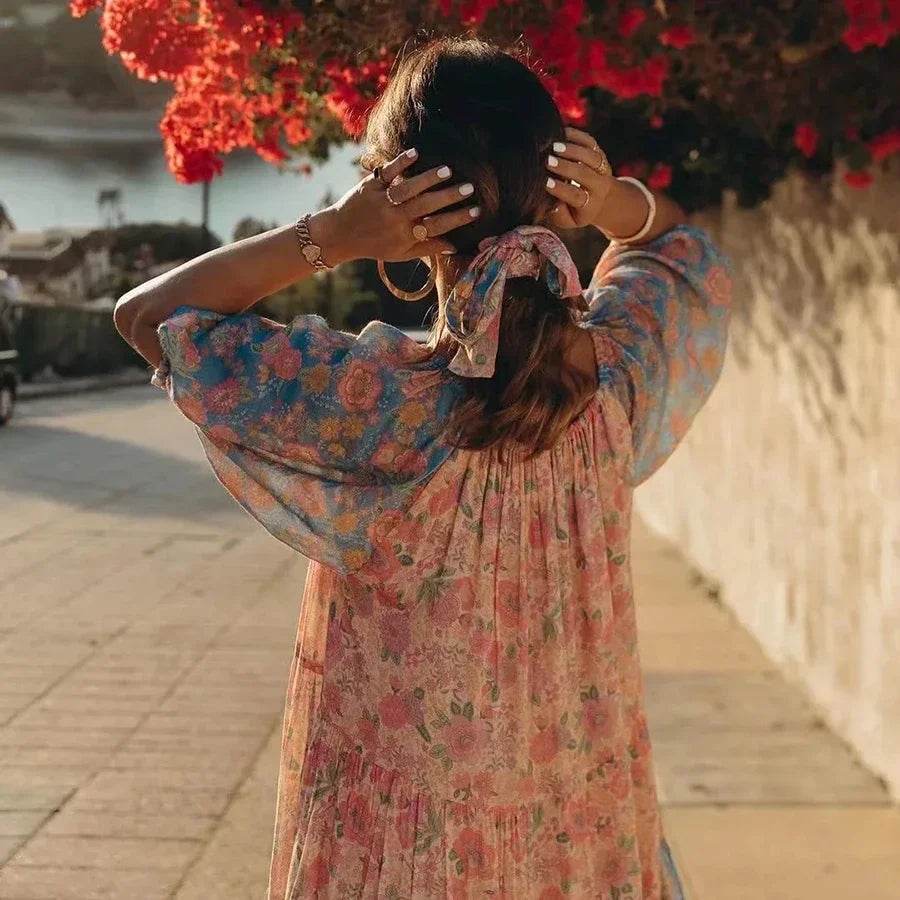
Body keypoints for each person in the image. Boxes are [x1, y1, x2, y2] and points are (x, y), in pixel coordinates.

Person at [114, 36, 732, 900]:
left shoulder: (376, 406)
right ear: (556, 191)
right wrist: (613, 204)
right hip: (582, 823)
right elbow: (685, 251)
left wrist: (329, 236)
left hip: (406, 851)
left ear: (397, 202)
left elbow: (149, 317)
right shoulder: (617, 389)